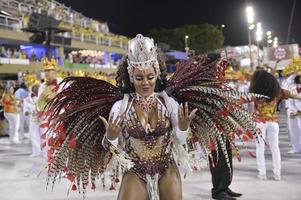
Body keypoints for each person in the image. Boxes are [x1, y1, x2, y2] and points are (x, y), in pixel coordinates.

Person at [46, 35, 261, 200]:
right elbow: (111, 149)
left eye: (150, 77)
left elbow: (179, 141)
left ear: (157, 73)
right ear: (131, 76)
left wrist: (184, 127)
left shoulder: (168, 103)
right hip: (135, 169)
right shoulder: (120, 107)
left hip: (166, 167)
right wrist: (110, 136)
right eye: (139, 78)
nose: (145, 82)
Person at [249, 70, 301, 181]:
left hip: (259, 122)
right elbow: (294, 96)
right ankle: (277, 173)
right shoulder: (278, 91)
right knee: (275, 147)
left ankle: (262, 173)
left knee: (260, 148)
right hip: (273, 122)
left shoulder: (255, 93)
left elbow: (239, 100)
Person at [37, 58, 62, 157]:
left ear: (54, 71)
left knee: (59, 138)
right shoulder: (42, 86)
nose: (46, 73)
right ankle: (49, 158)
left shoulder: (62, 83)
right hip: (46, 116)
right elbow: (39, 102)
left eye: (49, 70)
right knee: (47, 138)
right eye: (45, 71)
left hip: (60, 115)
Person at [24, 84, 41, 157]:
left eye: (37, 88)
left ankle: (44, 151)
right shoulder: (27, 99)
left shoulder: (43, 97)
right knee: (33, 135)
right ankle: (36, 152)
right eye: (34, 89)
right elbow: (26, 108)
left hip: (43, 119)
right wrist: (26, 112)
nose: (36, 90)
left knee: (44, 135)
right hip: (33, 118)